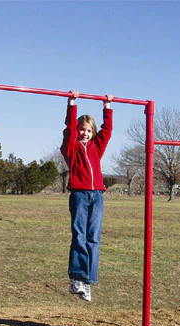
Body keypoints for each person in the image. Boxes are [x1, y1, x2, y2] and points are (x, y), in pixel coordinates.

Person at [60, 90, 113, 302]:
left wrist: (107, 108)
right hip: (80, 194)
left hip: (97, 195)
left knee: (94, 239)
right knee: (79, 235)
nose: (85, 133)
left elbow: (107, 131)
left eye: (89, 130)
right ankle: (76, 277)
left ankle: (88, 280)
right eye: (82, 130)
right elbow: (69, 129)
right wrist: (72, 103)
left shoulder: (96, 148)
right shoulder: (71, 148)